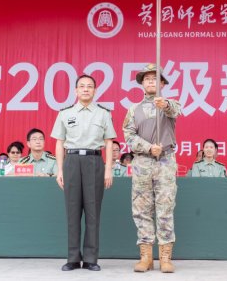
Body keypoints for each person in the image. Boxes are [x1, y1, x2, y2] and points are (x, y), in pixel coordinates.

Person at [51, 74, 116, 272]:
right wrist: (59, 169)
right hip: (71, 161)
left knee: (93, 212)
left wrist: (108, 169)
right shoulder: (65, 113)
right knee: (72, 211)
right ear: (75, 90)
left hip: (94, 160)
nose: (86, 89)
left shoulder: (103, 113)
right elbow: (59, 143)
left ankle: (90, 259)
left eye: (89, 86)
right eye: (82, 86)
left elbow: (109, 143)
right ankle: (72, 258)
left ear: (95, 91)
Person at [123, 63, 181, 273]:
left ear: (162, 84)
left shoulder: (169, 105)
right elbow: (129, 135)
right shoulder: (134, 109)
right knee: (142, 209)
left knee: (165, 207)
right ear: (142, 84)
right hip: (142, 163)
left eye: (155, 79)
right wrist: (148, 147)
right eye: (147, 79)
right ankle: (146, 256)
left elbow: (176, 110)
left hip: (165, 162)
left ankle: (165, 256)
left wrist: (164, 104)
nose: (150, 82)